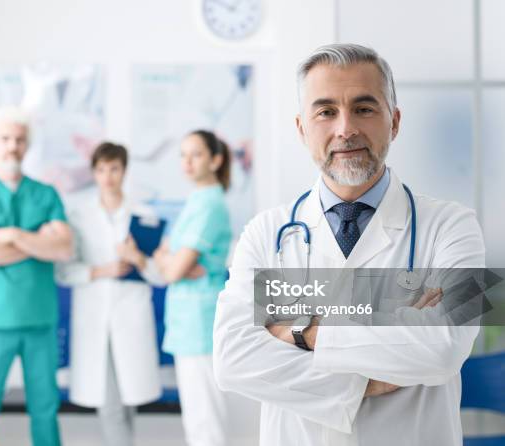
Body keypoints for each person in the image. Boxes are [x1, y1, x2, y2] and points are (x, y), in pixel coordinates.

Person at [212, 44, 485, 446]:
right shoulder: (263, 232)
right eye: (325, 111)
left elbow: (444, 349)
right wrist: (362, 382)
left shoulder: (458, 227)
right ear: (302, 128)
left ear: (394, 121)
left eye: (364, 108)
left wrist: (302, 330)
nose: (345, 129)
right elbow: (232, 360)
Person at [0, 106, 73, 446]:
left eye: (20, 140)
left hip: (39, 320)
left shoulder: (45, 193)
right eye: (5, 139)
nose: (13, 146)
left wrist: (8, 234)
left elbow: (65, 248)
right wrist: (39, 240)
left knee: (45, 411)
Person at [121, 130, 233, 446]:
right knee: (196, 420)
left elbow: (172, 269)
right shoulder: (195, 202)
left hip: (200, 324)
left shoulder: (210, 205)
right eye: (182, 154)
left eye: (196, 154)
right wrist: (170, 263)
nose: (187, 162)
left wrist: (171, 262)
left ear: (215, 159)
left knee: (206, 422)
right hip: (187, 324)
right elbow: (169, 265)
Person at [56, 142, 164, 446]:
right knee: (111, 402)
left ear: (124, 171)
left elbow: (158, 275)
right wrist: (103, 270)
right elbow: (64, 272)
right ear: (93, 172)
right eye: (101, 169)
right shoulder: (79, 216)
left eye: (114, 168)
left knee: (129, 400)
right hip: (94, 317)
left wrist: (137, 259)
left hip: (131, 317)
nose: (108, 176)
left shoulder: (144, 215)